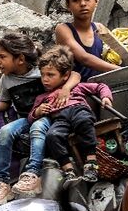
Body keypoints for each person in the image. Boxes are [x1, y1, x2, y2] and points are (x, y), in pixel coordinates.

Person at [0, 32, 81, 206]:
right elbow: (5, 102)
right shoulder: (6, 80)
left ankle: (32, 174)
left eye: (2, 57)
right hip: (25, 118)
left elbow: (75, 75)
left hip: (47, 116)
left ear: (20, 59)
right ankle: (1, 182)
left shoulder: (41, 70)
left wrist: (65, 89)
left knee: (38, 127)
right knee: (5, 131)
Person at [32, 46, 113, 185]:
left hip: (78, 110)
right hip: (59, 118)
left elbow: (100, 87)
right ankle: (69, 171)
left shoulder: (77, 87)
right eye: (43, 75)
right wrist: (38, 111)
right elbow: (30, 116)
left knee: (84, 121)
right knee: (52, 136)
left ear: (65, 75)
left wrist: (106, 98)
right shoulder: (42, 97)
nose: (45, 79)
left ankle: (91, 164)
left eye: (50, 75)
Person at [54, 0, 121, 82]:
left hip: (101, 89)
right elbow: (84, 58)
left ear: (96, 1)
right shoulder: (63, 29)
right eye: (76, 0)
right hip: (75, 91)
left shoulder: (100, 28)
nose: (83, 4)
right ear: (68, 5)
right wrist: (122, 71)